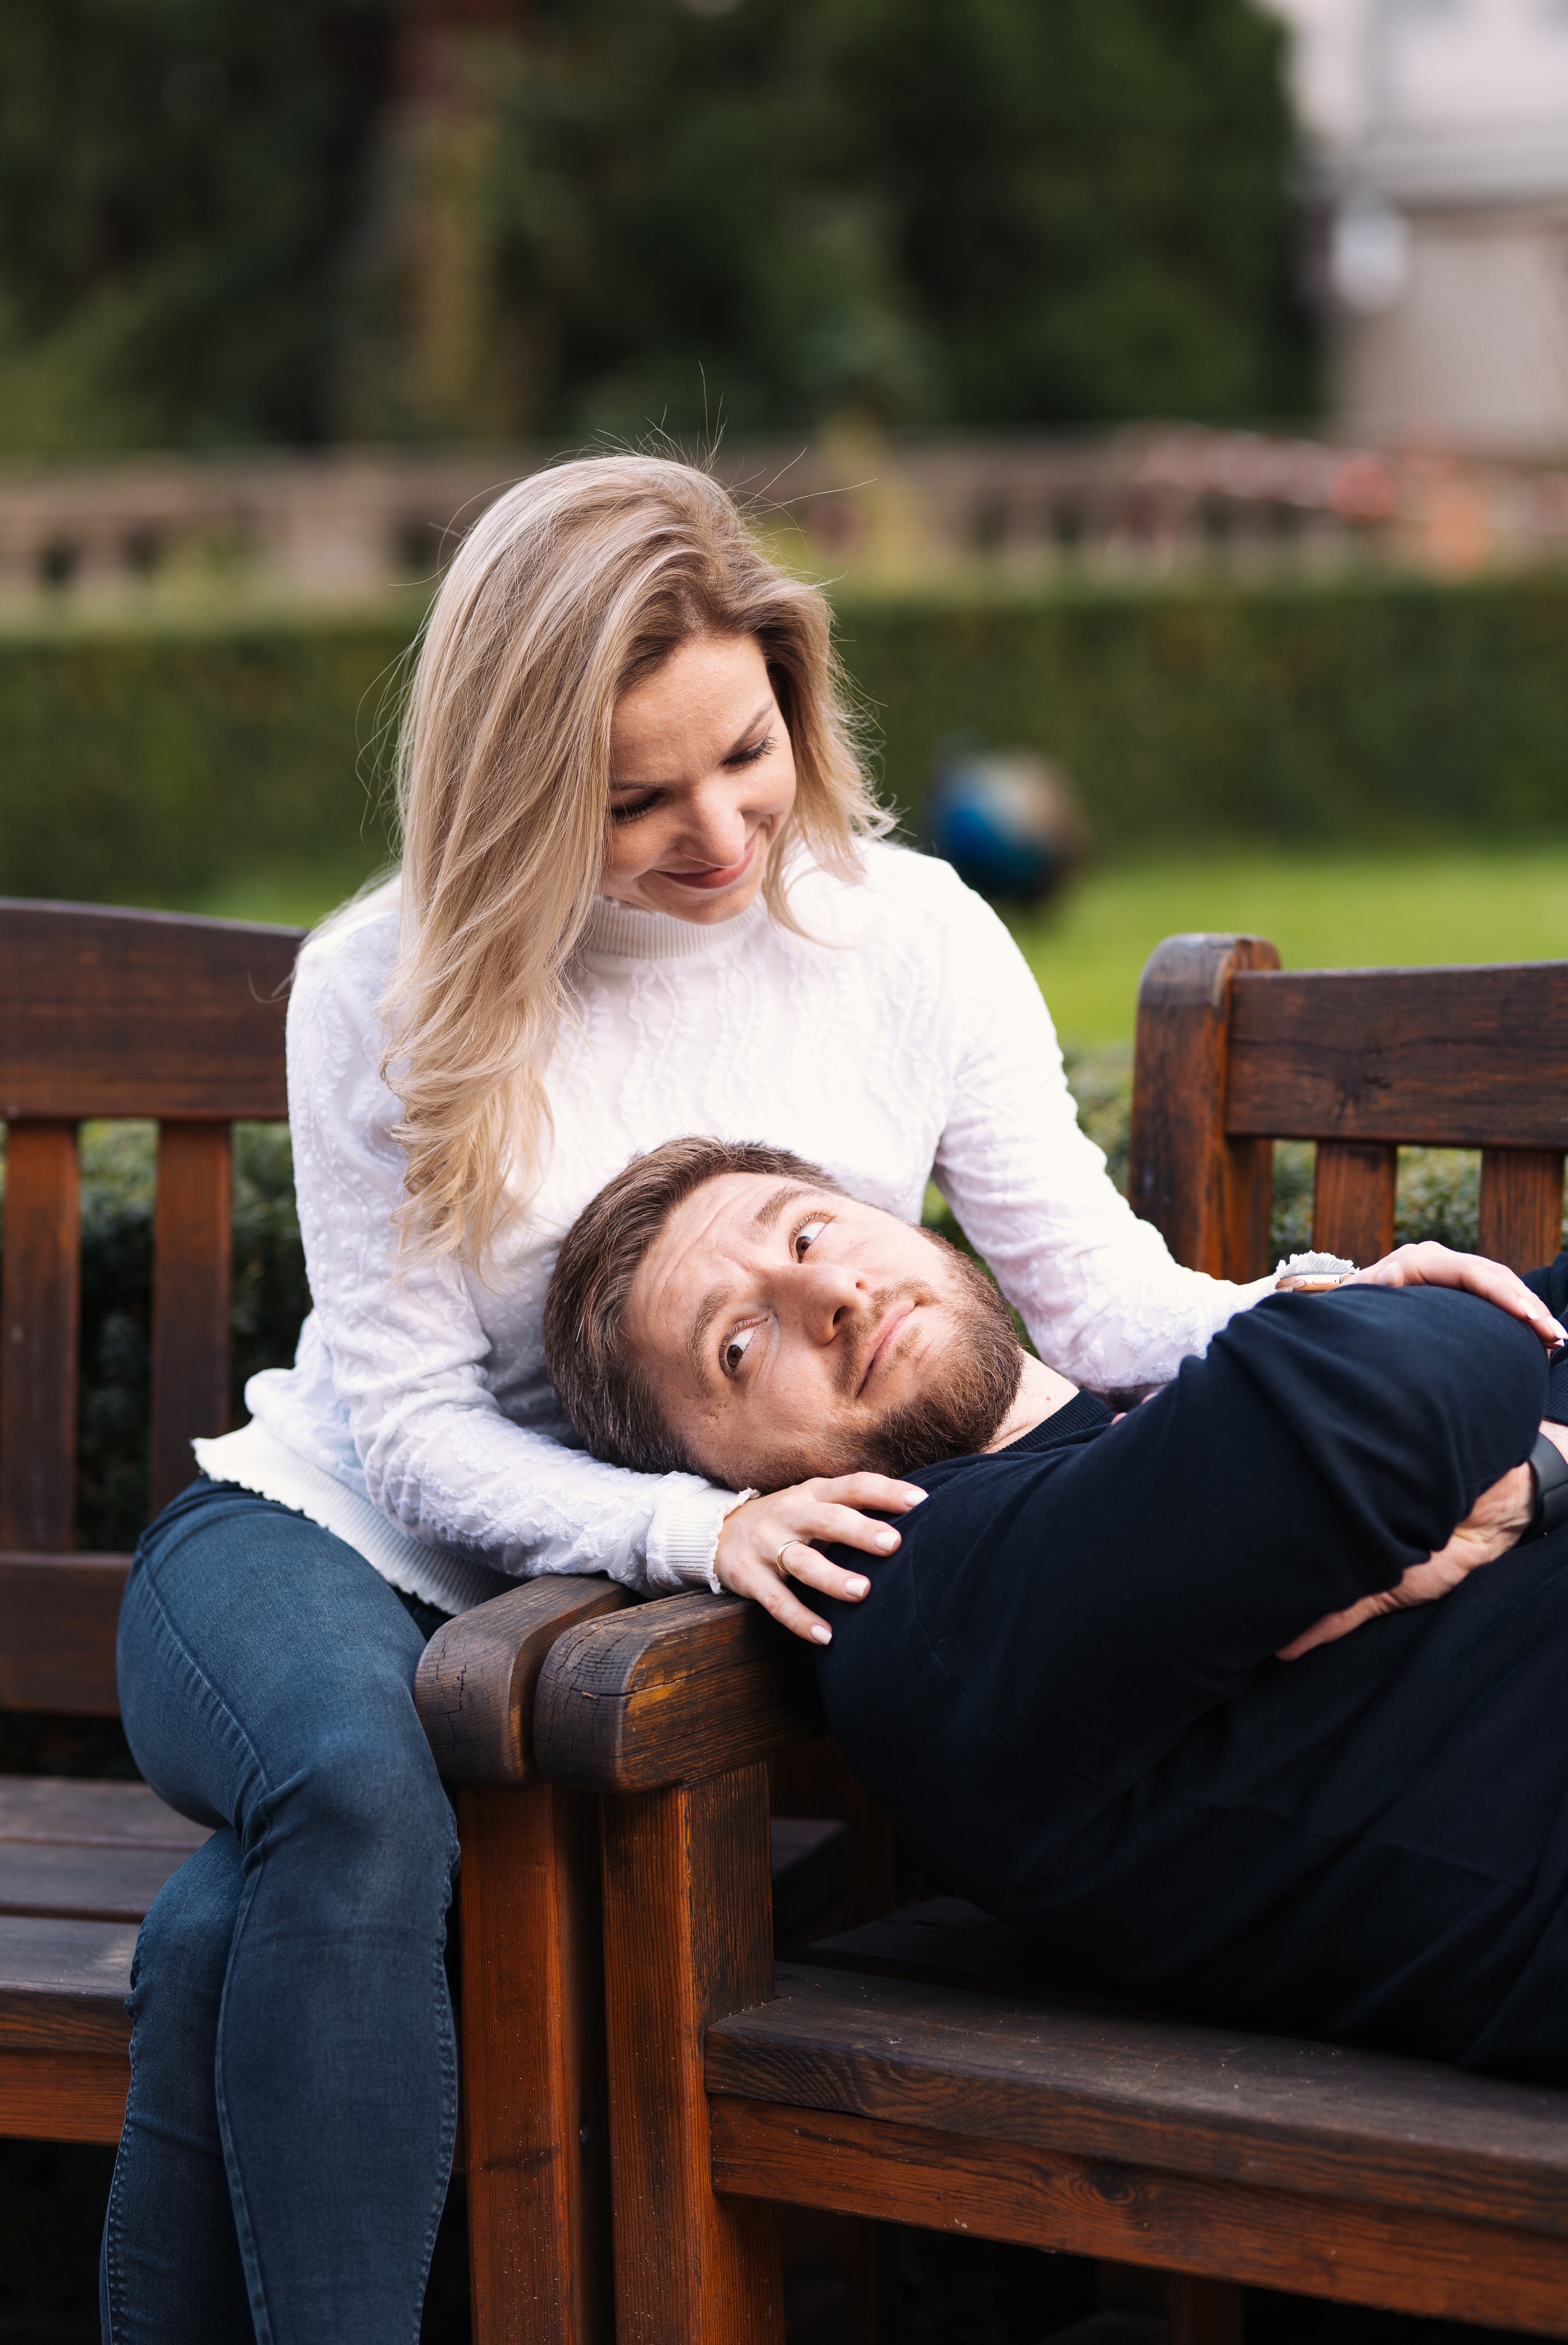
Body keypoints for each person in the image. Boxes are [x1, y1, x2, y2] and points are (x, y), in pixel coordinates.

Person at [109, 450, 1398, 2343]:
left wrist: (1337, 1314)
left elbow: (1092, 1288)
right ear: (519, 784)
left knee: (227, 1931)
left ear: (795, 691)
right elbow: (400, 1425)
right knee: (357, 1803)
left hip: (580, 1635)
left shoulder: (917, 934)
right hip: (317, 1549)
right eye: (634, 796)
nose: (719, 829)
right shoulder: (388, 979)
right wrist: (687, 1526)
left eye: (749, 751)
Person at [541, 1135, 1568, 2082]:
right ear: (721, 1482)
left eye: (809, 1231)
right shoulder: (922, 1606)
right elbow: (1384, 1388)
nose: (830, 1291)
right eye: (739, 1345)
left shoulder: (1131, 1442)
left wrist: (1523, 1470)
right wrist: (1533, 1449)